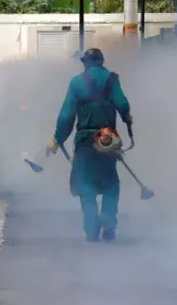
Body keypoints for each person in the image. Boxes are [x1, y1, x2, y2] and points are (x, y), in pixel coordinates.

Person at [46, 48, 132, 242]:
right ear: (101, 61)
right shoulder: (112, 79)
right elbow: (123, 104)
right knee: (110, 184)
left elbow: (66, 116)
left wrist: (57, 139)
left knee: (86, 185)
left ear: (85, 62)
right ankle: (109, 222)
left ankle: (91, 228)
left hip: (84, 140)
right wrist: (127, 120)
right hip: (107, 139)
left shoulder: (76, 82)